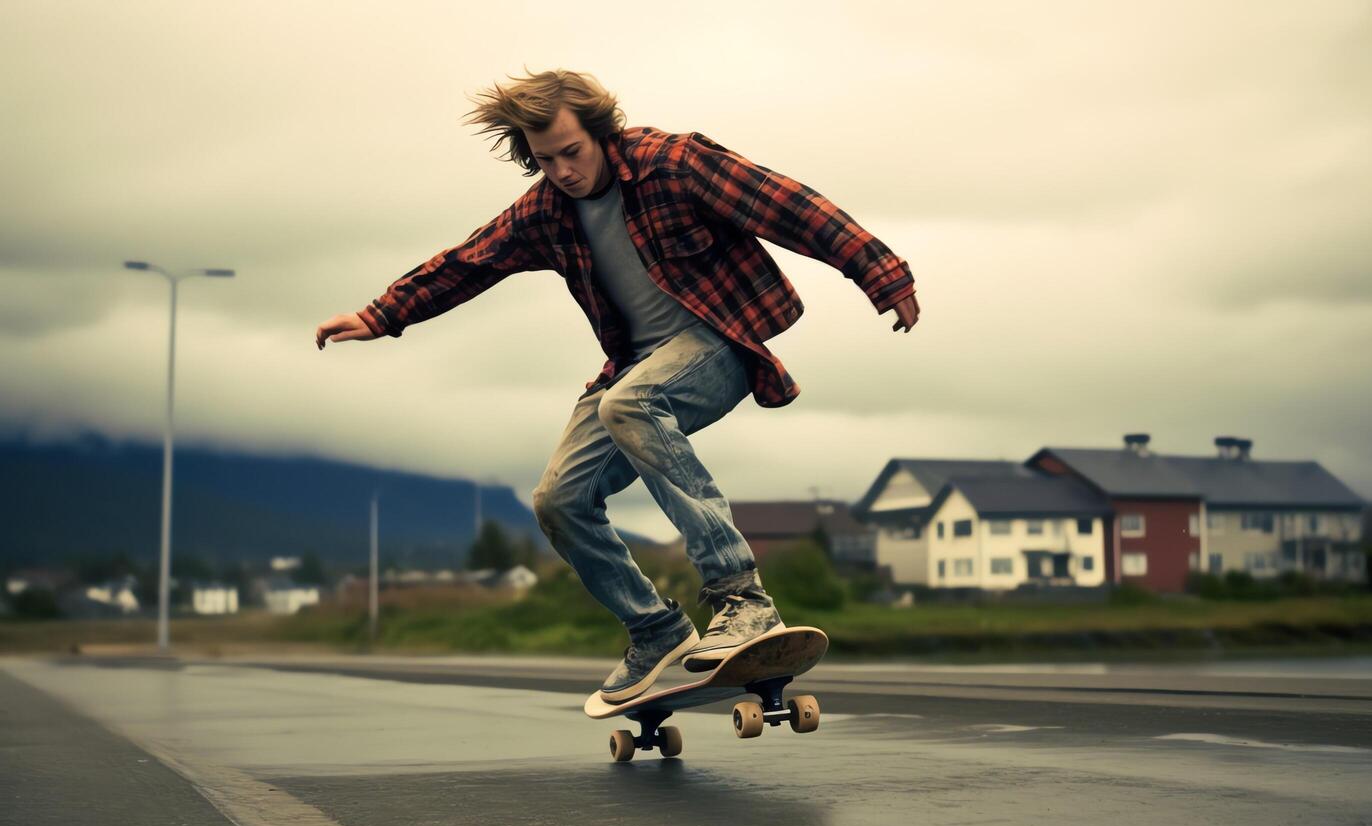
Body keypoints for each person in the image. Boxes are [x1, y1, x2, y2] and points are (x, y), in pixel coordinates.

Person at [314, 69, 920, 703]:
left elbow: (790, 206)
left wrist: (881, 274)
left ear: (603, 134)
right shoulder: (544, 211)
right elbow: (470, 261)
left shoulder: (675, 163)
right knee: (559, 500)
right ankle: (655, 629)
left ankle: (740, 598)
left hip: (720, 344)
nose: (563, 172)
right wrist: (382, 315)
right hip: (634, 367)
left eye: (572, 153)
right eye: (545, 160)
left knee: (629, 402)